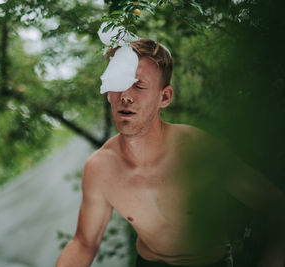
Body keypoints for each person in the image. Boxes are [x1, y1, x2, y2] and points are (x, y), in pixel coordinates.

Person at [56, 39, 285, 267]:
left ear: (164, 97)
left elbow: (275, 205)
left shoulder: (197, 149)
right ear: (108, 93)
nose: (125, 95)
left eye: (138, 85)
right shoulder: (100, 168)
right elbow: (84, 243)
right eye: (118, 83)